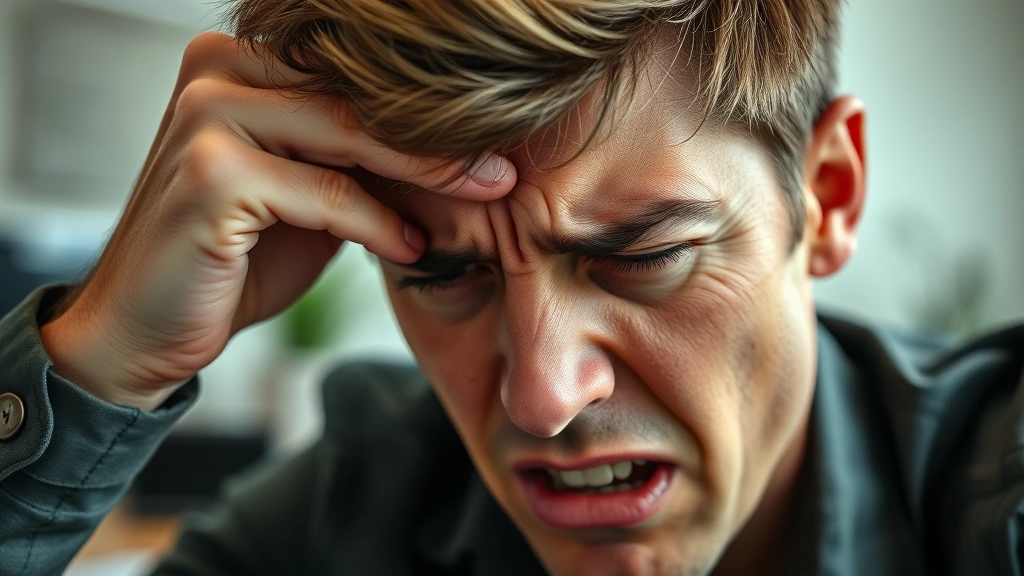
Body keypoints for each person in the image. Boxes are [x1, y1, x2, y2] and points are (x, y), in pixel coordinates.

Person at [0, 0, 1021, 574]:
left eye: (640, 256)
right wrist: (105, 363)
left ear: (829, 196)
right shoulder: (363, 503)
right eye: (440, 273)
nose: (539, 397)